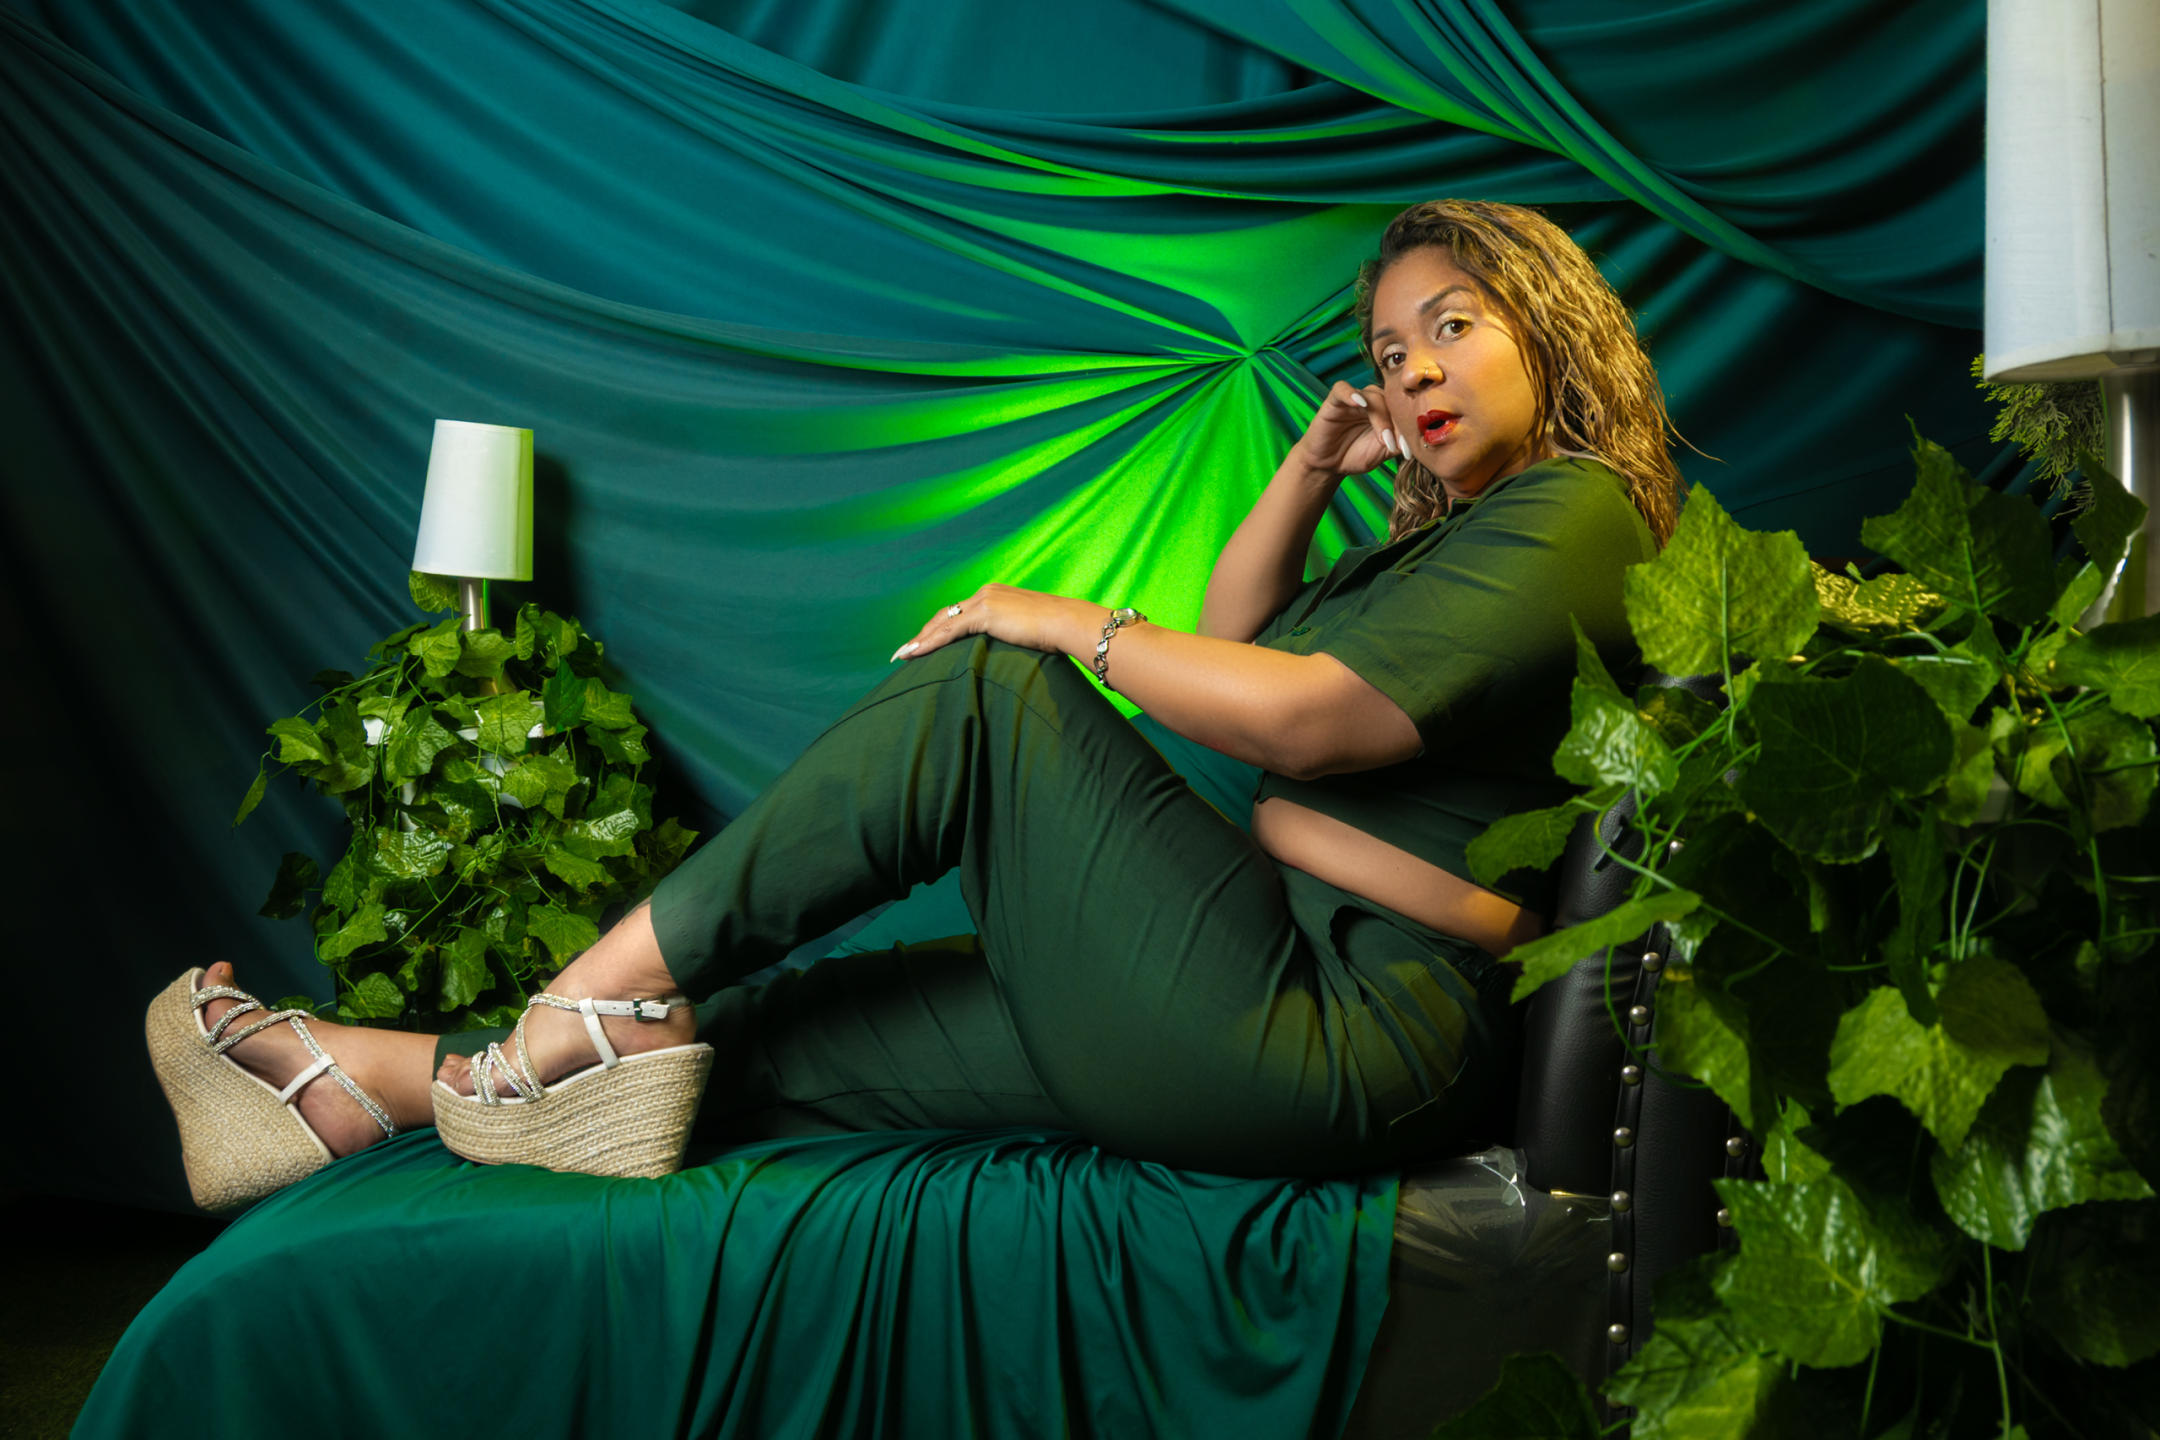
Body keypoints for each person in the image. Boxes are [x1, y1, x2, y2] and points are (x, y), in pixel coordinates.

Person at [148, 199, 1682, 1212]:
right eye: (1390, 352)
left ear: (1551, 324)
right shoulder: (1448, 545)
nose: (1414, 370)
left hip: (1340, 1034)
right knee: (779, 1035)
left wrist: (1053, 616)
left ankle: (578, 1007)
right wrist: (1308, 464)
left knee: (991, 694)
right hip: (1256, 970)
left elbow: (1299, 720)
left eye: (1455, 326)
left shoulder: (1575, 510)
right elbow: (1239, 640)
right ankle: (373, 1088)